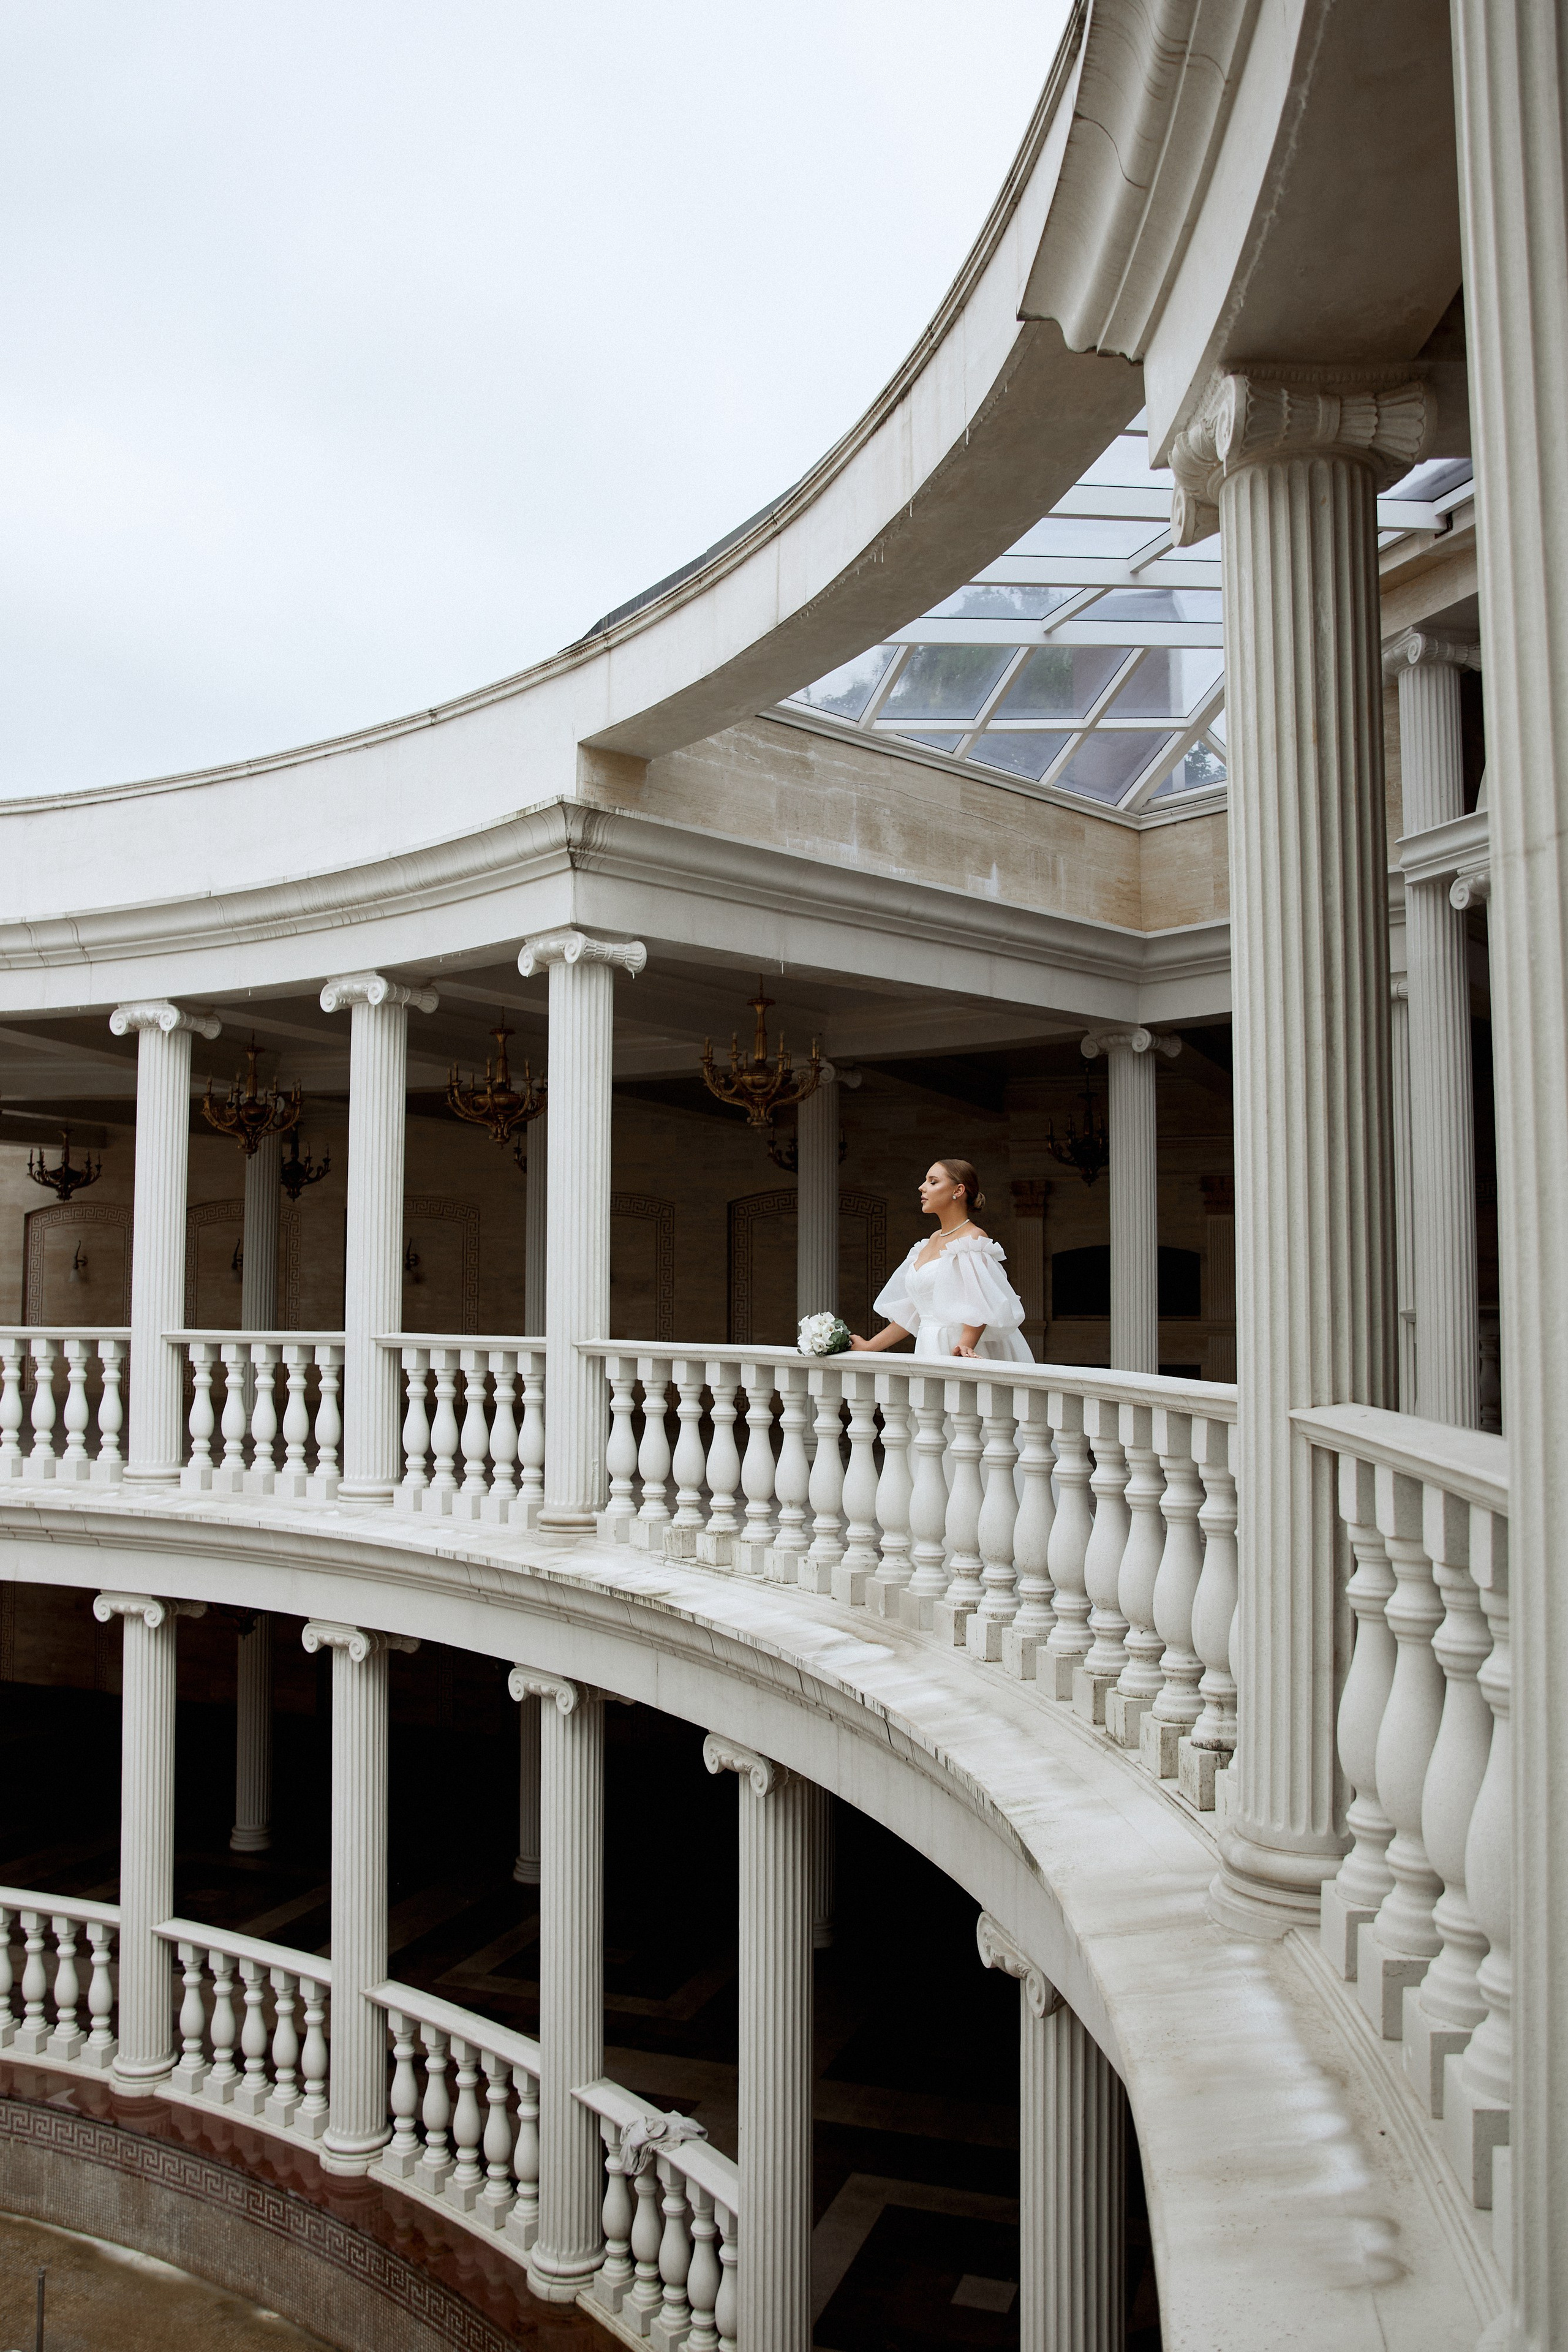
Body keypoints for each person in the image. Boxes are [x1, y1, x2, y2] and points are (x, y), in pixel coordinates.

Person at [849, 1159, 1032, 1363]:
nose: (922, 1187)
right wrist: (870, 1346)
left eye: (933, 1182)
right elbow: (916, 1310)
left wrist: (965, 1345)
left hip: (956, 1346)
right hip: (930, 1345)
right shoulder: (927, 1244)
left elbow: (980, 1301)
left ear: (958, 1190)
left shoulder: (971, 1239)